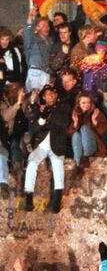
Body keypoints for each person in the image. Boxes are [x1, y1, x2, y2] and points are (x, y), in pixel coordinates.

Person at [23, 84, 71, 213]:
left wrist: (49, 113)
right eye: (47, 94)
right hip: (42, 144)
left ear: (56, 95)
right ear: (43, 97)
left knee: (58, 165)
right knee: (32, 163)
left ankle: (56, 201)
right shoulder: (39, 108)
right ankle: (28, 199)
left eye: (52, 93)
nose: (50, 96)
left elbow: (64, 122)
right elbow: (34, 128)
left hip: (57, 143)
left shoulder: (64, 107)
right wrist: (42, 118)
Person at [67, 91, 107, 167]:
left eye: (88, 102)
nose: (86, 105)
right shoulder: (75, 113)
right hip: (79, 148)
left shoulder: (96, 112)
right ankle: (78, 163)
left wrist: (94, 122)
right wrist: (75, 123)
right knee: (76, 135)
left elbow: (103, 132)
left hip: (94, 146)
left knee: (84, 128)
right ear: (78, 103)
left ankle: (85, 156)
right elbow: (69, 134)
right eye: (83, 103)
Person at [23, 7, 52, 91]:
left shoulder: (50, 41)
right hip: (36, 72)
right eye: (43, 25)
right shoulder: (33, 40)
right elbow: (27, 33)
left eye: (47, 25)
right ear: (37, 28)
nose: (46, 27)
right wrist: (30, 17)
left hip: (46, 73)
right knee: (34, 97)